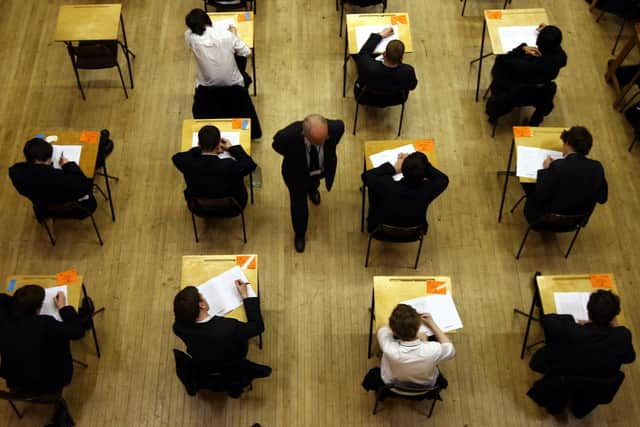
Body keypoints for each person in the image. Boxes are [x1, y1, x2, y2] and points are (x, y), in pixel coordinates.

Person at [527, 290, 635, 416]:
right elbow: (630, 358)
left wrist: (571, 320)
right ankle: (578, 410)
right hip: (596, 386)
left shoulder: (573, 332)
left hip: (567, 377)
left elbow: (546, 319)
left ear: (589, 313)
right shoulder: (623, 336)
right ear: (614, 317)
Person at [173, 281, 271, 398]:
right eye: (202, 296)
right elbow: (258, 327)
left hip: (205, 364)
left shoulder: (178, 328)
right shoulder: (229, 328)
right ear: (202, 305)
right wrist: (245, 296)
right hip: (233, 360)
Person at [272, 115, 345, 252]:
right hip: (296, 174)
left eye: (325, 139)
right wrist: (292, 156)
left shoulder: (336, 128)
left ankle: (312, 190)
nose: (323, 142)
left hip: (320, 170)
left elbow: (338, 134)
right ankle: (300, 234)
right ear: (303, 135)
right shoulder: (287, 136)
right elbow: (277, 146)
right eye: (318, 142)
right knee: (298, 205)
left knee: (314, 182)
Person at [0, 285, 85, 392]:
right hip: (50, 380)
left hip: (15, 380)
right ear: (37, 309)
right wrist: (63, 308)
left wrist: (22, 301)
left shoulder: (3, 321)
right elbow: (78, 332)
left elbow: (2, 298)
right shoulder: (45, 324)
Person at [522, 126, 608, 223]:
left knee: (527, 180)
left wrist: (546, 170)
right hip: (575, 222)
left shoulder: (557, 167)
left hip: (546, 220)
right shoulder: (597, 168)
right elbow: (602, 198)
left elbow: (540, 195)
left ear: (567, 143)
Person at [487, 24, 567, 126]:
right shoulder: (561, 58)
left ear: (538, 42)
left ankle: (493, 113)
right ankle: (534, 123)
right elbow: (556, 49)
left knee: (500, 76)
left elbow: (502, 60)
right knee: (550, 89)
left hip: (518, 91)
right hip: (541, 91)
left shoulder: (526, 65)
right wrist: (549, 35)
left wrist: (522, 49)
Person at [362, 304, 455, 391]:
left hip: (392, 383)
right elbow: (450, 349)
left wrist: (397, 326)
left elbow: (382, 329)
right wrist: (431, 324)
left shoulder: (389, 348)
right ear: (418, 326)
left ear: (394, 332)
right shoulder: (433, 349)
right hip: (425, 385)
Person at [362, 151, 448, 233]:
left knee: (373, 190)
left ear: (402, 169)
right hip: (414, 232)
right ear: (424, 175)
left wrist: (394, 168)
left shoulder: (386, 185)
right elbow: (443, 179)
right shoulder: (428, 190)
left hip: (378, 230)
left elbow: (366, 175)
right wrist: (421, 164)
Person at [172, 125, 257, 207]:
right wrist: (232, 149)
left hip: (198, 207)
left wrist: (200, 149)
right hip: (232, 207)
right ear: (218, 145)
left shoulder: (187, 164)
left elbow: (176, 157)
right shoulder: (230, 165)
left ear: (198, 144)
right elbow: (250, 164)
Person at [9, 137, 97, 215]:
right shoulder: (53, 178)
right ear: (37, 161)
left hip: (43, 207)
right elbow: (83, 186)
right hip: (75, 208)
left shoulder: (16, 173)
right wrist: (68, 165)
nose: (50, 162)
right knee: (92, 168)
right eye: (47, 160)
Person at [185, 8, 252, 89]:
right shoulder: (227, 35)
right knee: (239, 56)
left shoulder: (191, 38)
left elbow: (188, 32)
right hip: (233, 84)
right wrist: (234, 35)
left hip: (206, 86)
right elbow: (247, 52)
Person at [354, 27, 418, 104]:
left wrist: (380, 36)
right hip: (395, 99)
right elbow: (412, 87)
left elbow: (363, 53)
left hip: (366, 98)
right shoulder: (408, 71)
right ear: (401, 58)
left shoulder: (368, 66)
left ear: (384, 54)